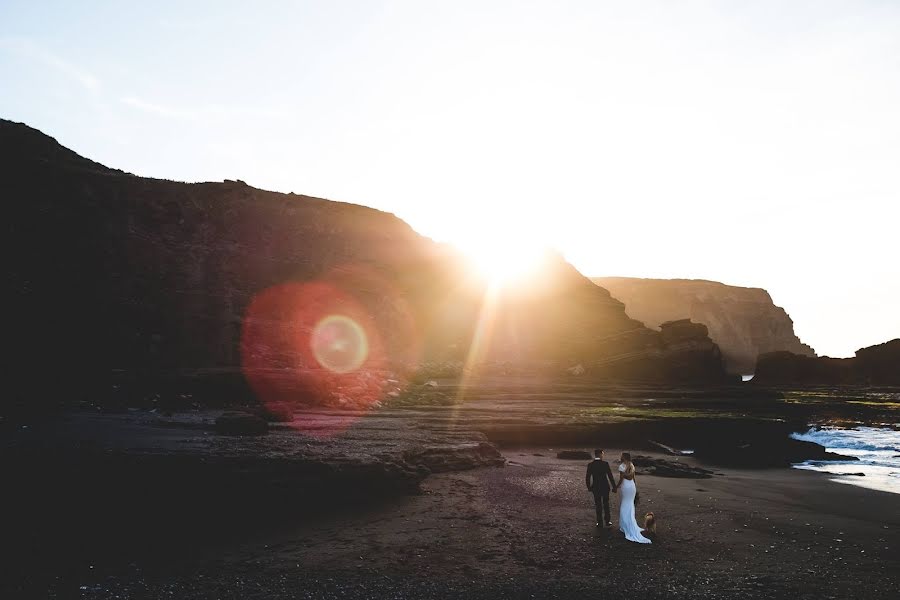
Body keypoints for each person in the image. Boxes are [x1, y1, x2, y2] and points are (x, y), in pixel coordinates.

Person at [617, 452, 651, 543]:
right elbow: (633, 478)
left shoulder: (621, 466)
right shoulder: (631, 465)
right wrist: (635, 487)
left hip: (625, 486)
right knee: (630, 504)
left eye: (621, 456)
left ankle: (625, 526)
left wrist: (616, 487)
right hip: (632, 487)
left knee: (624, 504)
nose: (620, 457)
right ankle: (630, 523)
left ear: (623, 457)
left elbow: (622, 479)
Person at [585, 448, 617, 527]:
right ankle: (607, 521)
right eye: (602, 454)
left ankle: (599, 522)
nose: (603, 455)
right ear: (600, 454)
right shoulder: (605, 464)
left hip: (595, 487)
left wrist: (589, 487)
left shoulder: (591, 465)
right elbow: (610, 476)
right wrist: (614, 487)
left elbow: (587, 477)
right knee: (606, 504)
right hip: (605, 486)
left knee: (598, 505)